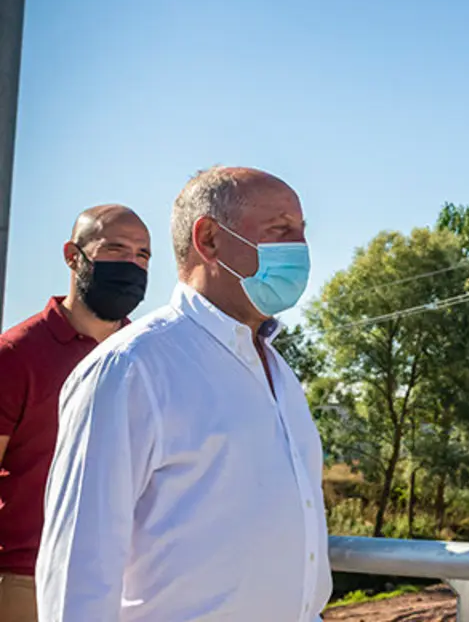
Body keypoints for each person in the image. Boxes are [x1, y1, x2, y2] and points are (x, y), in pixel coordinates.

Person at [37, 167, 330, 622]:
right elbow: (79, 568)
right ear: (209, 239)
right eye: (280, 230)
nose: (301, 248)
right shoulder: (132, 368)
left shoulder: (278, 372)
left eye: (301, 231)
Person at [0, 205, 150, 622]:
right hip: (27, 583)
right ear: (73, 255)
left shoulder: (150, 357)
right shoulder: (15, 356)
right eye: (116, 250)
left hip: (129, 587)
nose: (132, 265)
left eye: (142, 255)